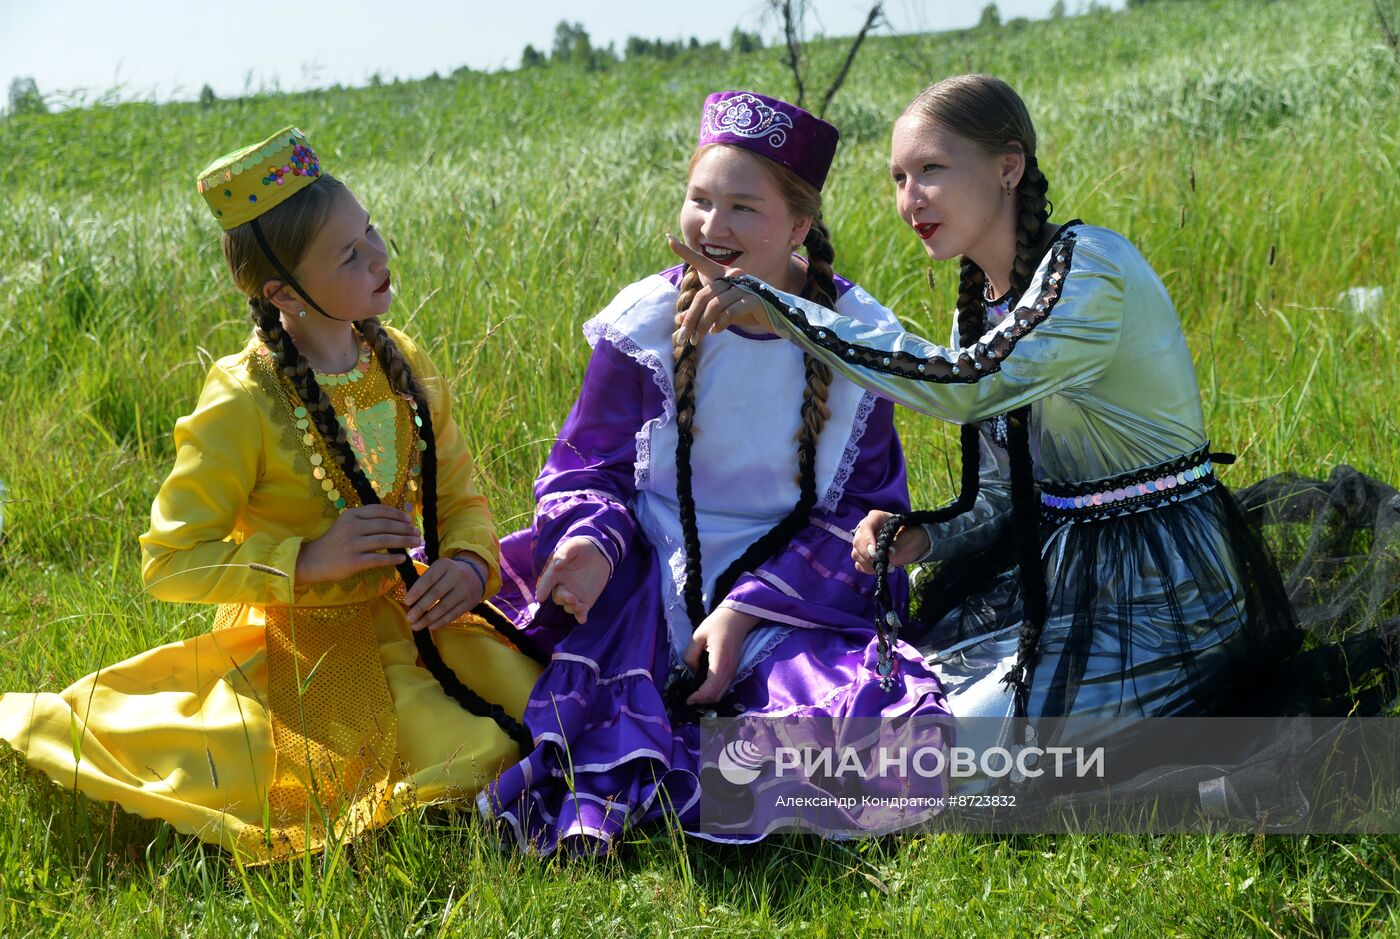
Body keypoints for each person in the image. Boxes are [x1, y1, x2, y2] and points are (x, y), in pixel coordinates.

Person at [671, 75, 1310, 745]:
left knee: (941, 750)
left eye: (931, 170)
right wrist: (925, 537)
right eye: (898, 179)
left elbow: (970, 384)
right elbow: (1006, 494)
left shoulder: (1092, 270)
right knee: (891, 709)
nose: (910, 200)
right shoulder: (980, 308)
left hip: (1167, 593)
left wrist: (791, 313)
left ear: (1008, 168)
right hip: (1058, 577)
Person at [0, 127, 542, 861]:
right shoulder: (243, 398)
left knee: (542, 704)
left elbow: (461, 496)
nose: (379, 255)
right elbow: (170, 559)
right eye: (349, 255)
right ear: (283, 292)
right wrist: (307, 559)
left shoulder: (401, 360)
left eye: (370, 229)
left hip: (410, 616)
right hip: (300, 645)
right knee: (463, 750)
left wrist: (470, 565)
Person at [479, 91, 951, 855]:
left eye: (743, 207)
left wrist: (742, 614)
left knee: (881, 724)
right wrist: (591, 543)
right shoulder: (644, 323)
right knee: (498, 666)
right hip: (647, 564)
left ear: (798, 226)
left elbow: (867, 517)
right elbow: (587, 465)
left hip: (793, 584)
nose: (713, 226)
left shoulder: (856, 339)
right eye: (700, 200)